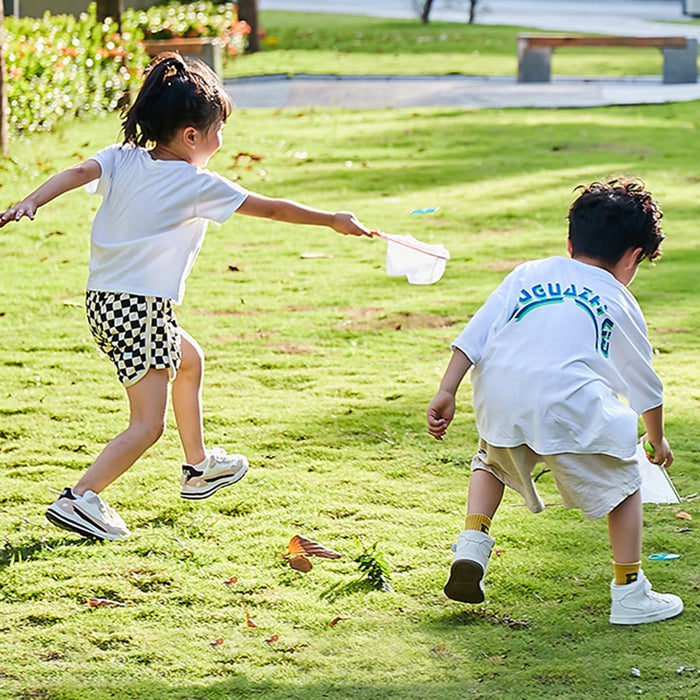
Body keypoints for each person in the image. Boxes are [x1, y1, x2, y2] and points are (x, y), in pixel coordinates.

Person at [0, 53, 372, 541]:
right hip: (142, 307)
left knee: (190, 360)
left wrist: (31, 200)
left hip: (105, 303)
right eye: (218, 130)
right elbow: (275, 210)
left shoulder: (122, 158)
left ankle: (198, 467)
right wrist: (332, 219)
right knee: (146, 425)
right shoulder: (195, 184)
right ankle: (80, 497)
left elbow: (75, 173)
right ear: (192, 136)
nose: (221, 140)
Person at [426, 178, 683, 625]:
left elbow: (474, 335)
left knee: (490, 462)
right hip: (569, 406)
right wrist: (655, 440)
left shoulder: (528, 273)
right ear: (633, 256)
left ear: (569, 241)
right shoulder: (618, 298)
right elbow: (644, 384)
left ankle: (472, 543)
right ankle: (629, 591)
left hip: (501, 398)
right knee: (625, 483)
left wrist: (447, 390)